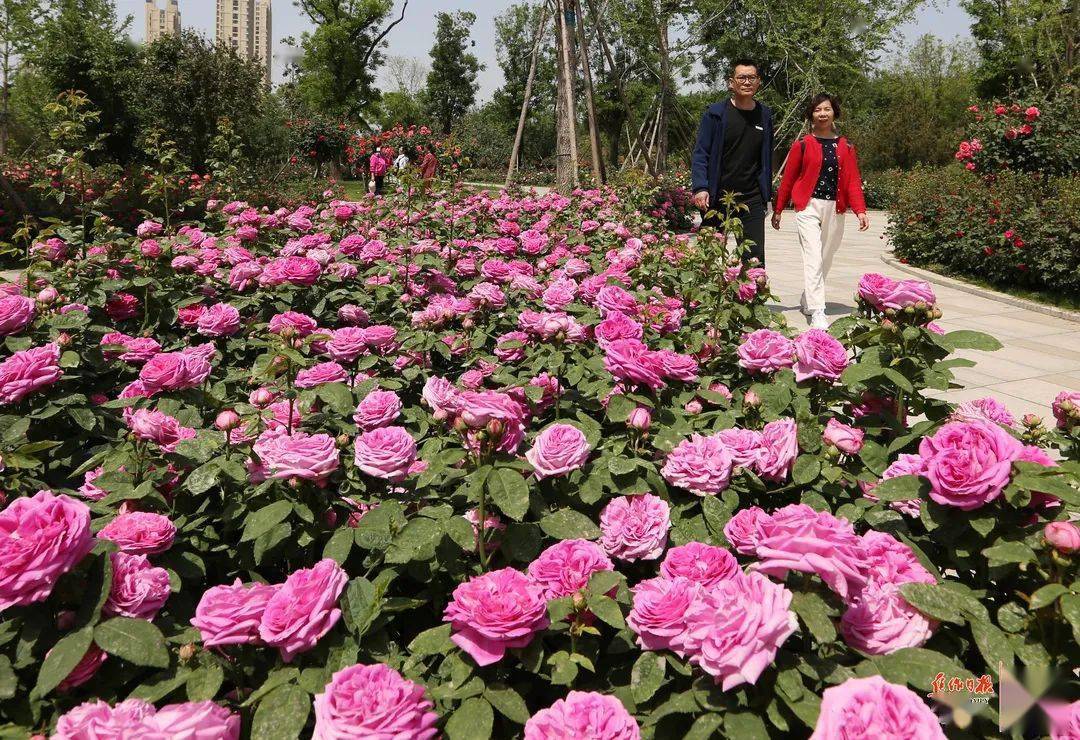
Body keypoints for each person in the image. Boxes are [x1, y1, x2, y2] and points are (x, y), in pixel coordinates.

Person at [772, 93, 869, 329]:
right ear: (811, 115)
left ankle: (808, 297)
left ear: (834, 112)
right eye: (817, 110)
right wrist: (779, 208)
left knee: (826, 256)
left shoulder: (846, 146)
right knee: (813, 257)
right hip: (808, 206)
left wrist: (860, 210)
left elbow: (853, 180)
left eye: (826, 109)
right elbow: (789, 179)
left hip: (835, 209)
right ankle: (818, 310)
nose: (822, 114)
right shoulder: (802, 145)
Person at [691, 58, 774, 265]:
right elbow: (701, 153)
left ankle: (750, 296)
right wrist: (701, 187)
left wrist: (767, 193)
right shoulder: (716, 114)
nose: (747, 82)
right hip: (718, 197)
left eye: (751, 78)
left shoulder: (765, 115)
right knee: (706, 256)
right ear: (731, 82)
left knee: (754, 260)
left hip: (751, 198)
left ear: (758, 82)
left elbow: (766, 157)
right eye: (742, 78)